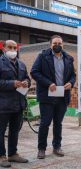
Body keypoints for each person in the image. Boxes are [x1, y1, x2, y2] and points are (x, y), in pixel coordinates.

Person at [31, 35, 76, 159]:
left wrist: (71, 83)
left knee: (58, 123)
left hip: (62, 96)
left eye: (60, 43)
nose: (57, 45)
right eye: (55, 43)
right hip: (47, 96)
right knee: (45, 123)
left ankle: (57, 146)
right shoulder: (42, 56)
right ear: (50, 44)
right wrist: (48, 83)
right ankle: (41, 149)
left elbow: (73, 75)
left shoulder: (68, 58)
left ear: (63, 45)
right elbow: (34, 72)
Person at [0, 40, 30, 168]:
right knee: (0, 131)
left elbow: (27, 78)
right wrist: (12, 83)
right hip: (3, 103)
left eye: (15, 47)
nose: (13, 50)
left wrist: (26, 82)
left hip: (18, 103)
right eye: (10, 47)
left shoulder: (21, 64)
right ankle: (1, 156)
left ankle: (13, 153)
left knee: (14, 130)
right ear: (3, 49)